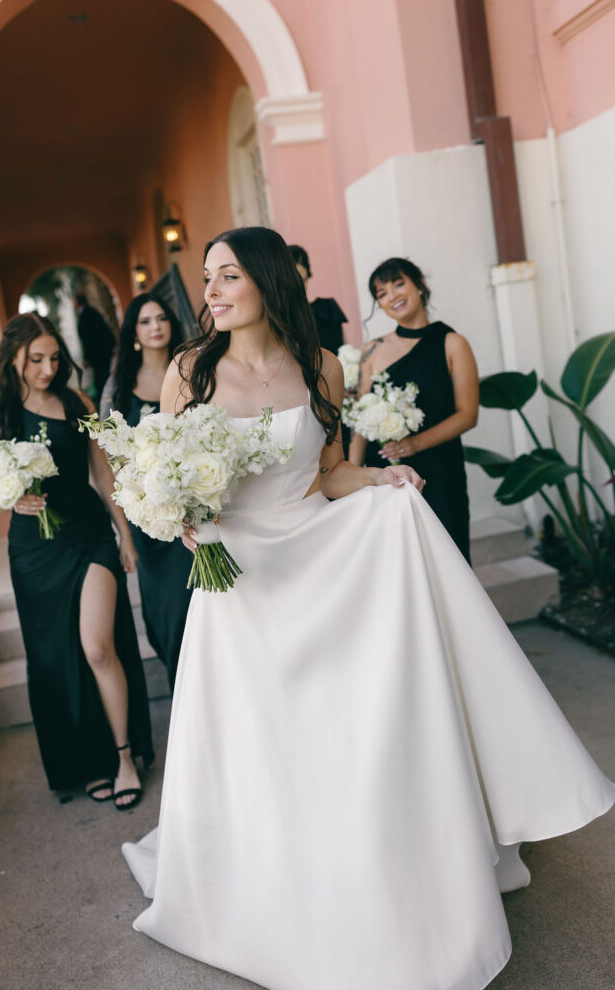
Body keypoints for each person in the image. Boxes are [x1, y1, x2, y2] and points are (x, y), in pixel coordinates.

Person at [122, 227, 613, 990]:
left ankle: (375, 856)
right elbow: (169, 474)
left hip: (315, 555)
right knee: (262, 736)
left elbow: (322, 473)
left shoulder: (321, 364)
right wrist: (181, 516)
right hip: (238, 576)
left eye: (226, 276)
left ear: (265, 281)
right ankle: (274, 872)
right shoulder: (188, 370)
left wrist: (381, 483)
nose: (210, 291)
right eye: (208, 279)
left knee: (339, 722)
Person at [0, 313, 154, 809]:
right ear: (13, 358)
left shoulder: (76, 402)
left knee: (98, 648)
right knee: (58, 657)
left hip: (89, 534)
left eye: (54, 358)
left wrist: (125, 534)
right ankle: (87, 762)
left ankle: (122, 756)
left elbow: (101, 471)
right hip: (34, 549)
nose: (47, 368)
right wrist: (10, 498)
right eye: (36, 359)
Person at [349, 257, 478, 561]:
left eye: (398, 283)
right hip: (385, 473)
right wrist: (354, 477)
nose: (392, 296)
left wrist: (413, 444)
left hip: (440, 470)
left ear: (419, 285)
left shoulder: (452, 343)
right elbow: (358, 420)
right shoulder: (372, 350)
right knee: (395, 563)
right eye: (381, 293)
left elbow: (468, 414)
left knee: (448, 559)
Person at [99, 294, 193, 693]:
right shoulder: (118, 387)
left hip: (194, 508)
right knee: (167, 614)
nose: (155, 326)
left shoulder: (193, 371)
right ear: (133, 332)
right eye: (145, 321)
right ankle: (183, 693)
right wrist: (125, 532)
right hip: (150, 520)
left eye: (161, 318)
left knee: (199, 609)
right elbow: (113, 467)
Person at [288, 243, 348, 355]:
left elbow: (345, 350)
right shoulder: (278, 317)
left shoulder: (328, 308)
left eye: (301, 278)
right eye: (291, 279)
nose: (297, 285)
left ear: (307, 276)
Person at [75, 292, 116, 404]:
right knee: (103, 376)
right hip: (103, 351)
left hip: (98, 353)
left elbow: (87, 340)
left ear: (78, 302)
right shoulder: (93, 312)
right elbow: (106, 328)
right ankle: (107, 397)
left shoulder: (86, 315)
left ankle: (106, 398)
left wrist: (86, 358)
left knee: (101, 377)